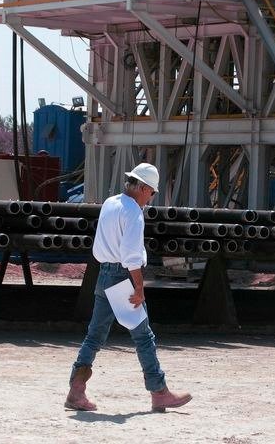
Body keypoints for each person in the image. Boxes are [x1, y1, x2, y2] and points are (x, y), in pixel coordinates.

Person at [65, 162, 192, 413]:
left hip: (103, 274)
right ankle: (159, 392)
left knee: (95, 335)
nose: (151, 198)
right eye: (152, 192)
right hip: (123, 277)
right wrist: (139, 288)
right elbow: (131, 255)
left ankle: (76, 391)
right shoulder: (133, 212)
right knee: (144, 336)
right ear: (143, 188)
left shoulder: (111, 203)